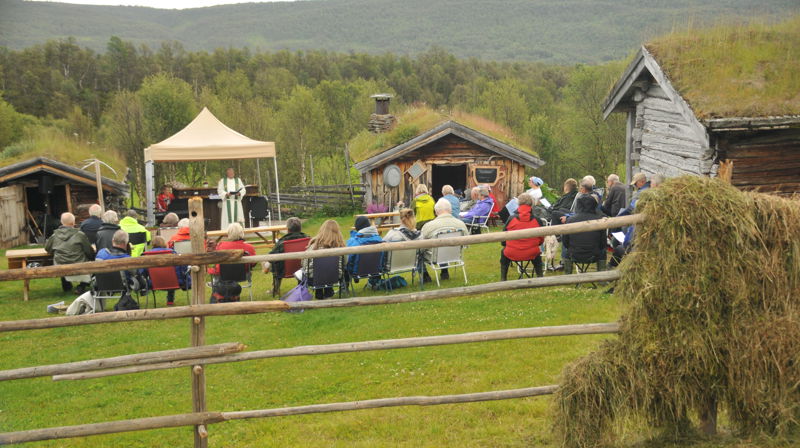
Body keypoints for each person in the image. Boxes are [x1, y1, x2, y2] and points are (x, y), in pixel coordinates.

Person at [45, 212, 95, 294]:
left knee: (62, 261)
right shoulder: (80, 235)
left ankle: (66, 283)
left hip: (60, 265)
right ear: (73, 222)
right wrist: (92, 257)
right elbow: (88, 251)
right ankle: (82, 286)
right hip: (79, 264)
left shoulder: (54, 236)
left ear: (61, 222)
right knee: (94, 262)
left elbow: (48, 249)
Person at [421, 198, 469, 281]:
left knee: (419, 251)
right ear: (450, 210)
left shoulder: (428, 226)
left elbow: (421, 244)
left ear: (436, 211)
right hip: (455, 255)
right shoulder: (461, 224)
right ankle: (444, 271)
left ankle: (425, 275)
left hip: (434, 257)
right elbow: (467, 243)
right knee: (443, 248)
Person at [499, 193, 545, 280]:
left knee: (504, 253)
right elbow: (541, 240)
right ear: (531, 204)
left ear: (518, 204)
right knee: (537, 254)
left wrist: (507, 245)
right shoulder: (537, 220)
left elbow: (503, 238)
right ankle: (540, 277)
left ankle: (503, 278)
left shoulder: (511, 219)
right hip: (531, 252)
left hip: (512, 252)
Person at [302, 219, 346, 299]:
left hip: (314, 279)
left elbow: (305, 265)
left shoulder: (313, 247)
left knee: (305, 271)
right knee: (330, 269)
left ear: (322, 230)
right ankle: (328, 292)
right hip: (335, 278)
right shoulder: (341, 247)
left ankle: (319, 292)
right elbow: (345, 263)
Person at [563, 195, 607, 275]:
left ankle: (567, 276)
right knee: (603, 252)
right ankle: (602, 278)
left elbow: (565, 242)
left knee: (567, 252)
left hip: (574, 254)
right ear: (594, 205)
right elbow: (603, 243)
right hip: (594, 255)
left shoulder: (570, 220)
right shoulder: (600, 220)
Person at [266, 217, 309, 296]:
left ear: (288, 229)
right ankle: (302, 287)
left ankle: (275, 289)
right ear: (300, 228)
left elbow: (271, 256)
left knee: (274, 264)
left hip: (284, 271)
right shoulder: (307, 239)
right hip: (304, 269)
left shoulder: (282, 242)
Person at [142, 236, 188, 306]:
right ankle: (170, 300)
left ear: (153, 244)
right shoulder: (172, 253)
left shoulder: (146, 255)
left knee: (165, 275)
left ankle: (169, 300)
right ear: (164, 243)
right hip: (174, 282)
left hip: (154, 283)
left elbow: (142, 271)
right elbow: (181, 267)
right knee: (170, 275)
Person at [346, 216, 384, 283]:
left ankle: (345, 287)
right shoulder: (379, 239)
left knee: (344, 263)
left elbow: (349, 259)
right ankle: (376, 282)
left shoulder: (354, 241)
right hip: (376, 269)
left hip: (357, 271)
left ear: (357, 227)